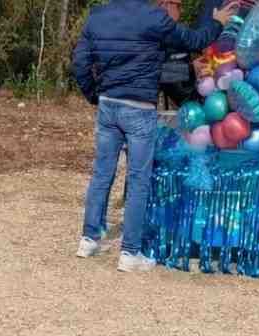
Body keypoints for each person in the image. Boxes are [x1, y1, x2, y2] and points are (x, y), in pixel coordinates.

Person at [73, 0, 238, 272]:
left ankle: (89, 239)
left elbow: (80, 62)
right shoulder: (153, 17)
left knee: (102, 173)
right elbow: (193, 40)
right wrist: (218, 21)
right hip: (139, 107)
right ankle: (130, 253)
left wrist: (94, 94)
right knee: (139, 179)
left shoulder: (97, 16)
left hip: (108, 104)